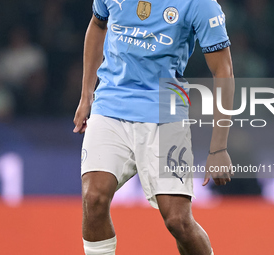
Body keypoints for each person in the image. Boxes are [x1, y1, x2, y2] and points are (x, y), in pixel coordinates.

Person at [73, 0, 234, 254]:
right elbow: (97, 24)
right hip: (111, 105)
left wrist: (218, 148)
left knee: (178, 221)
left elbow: (223, 71)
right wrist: (86, 96)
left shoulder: (200, 4)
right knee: (93, 198)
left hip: (165, 112)